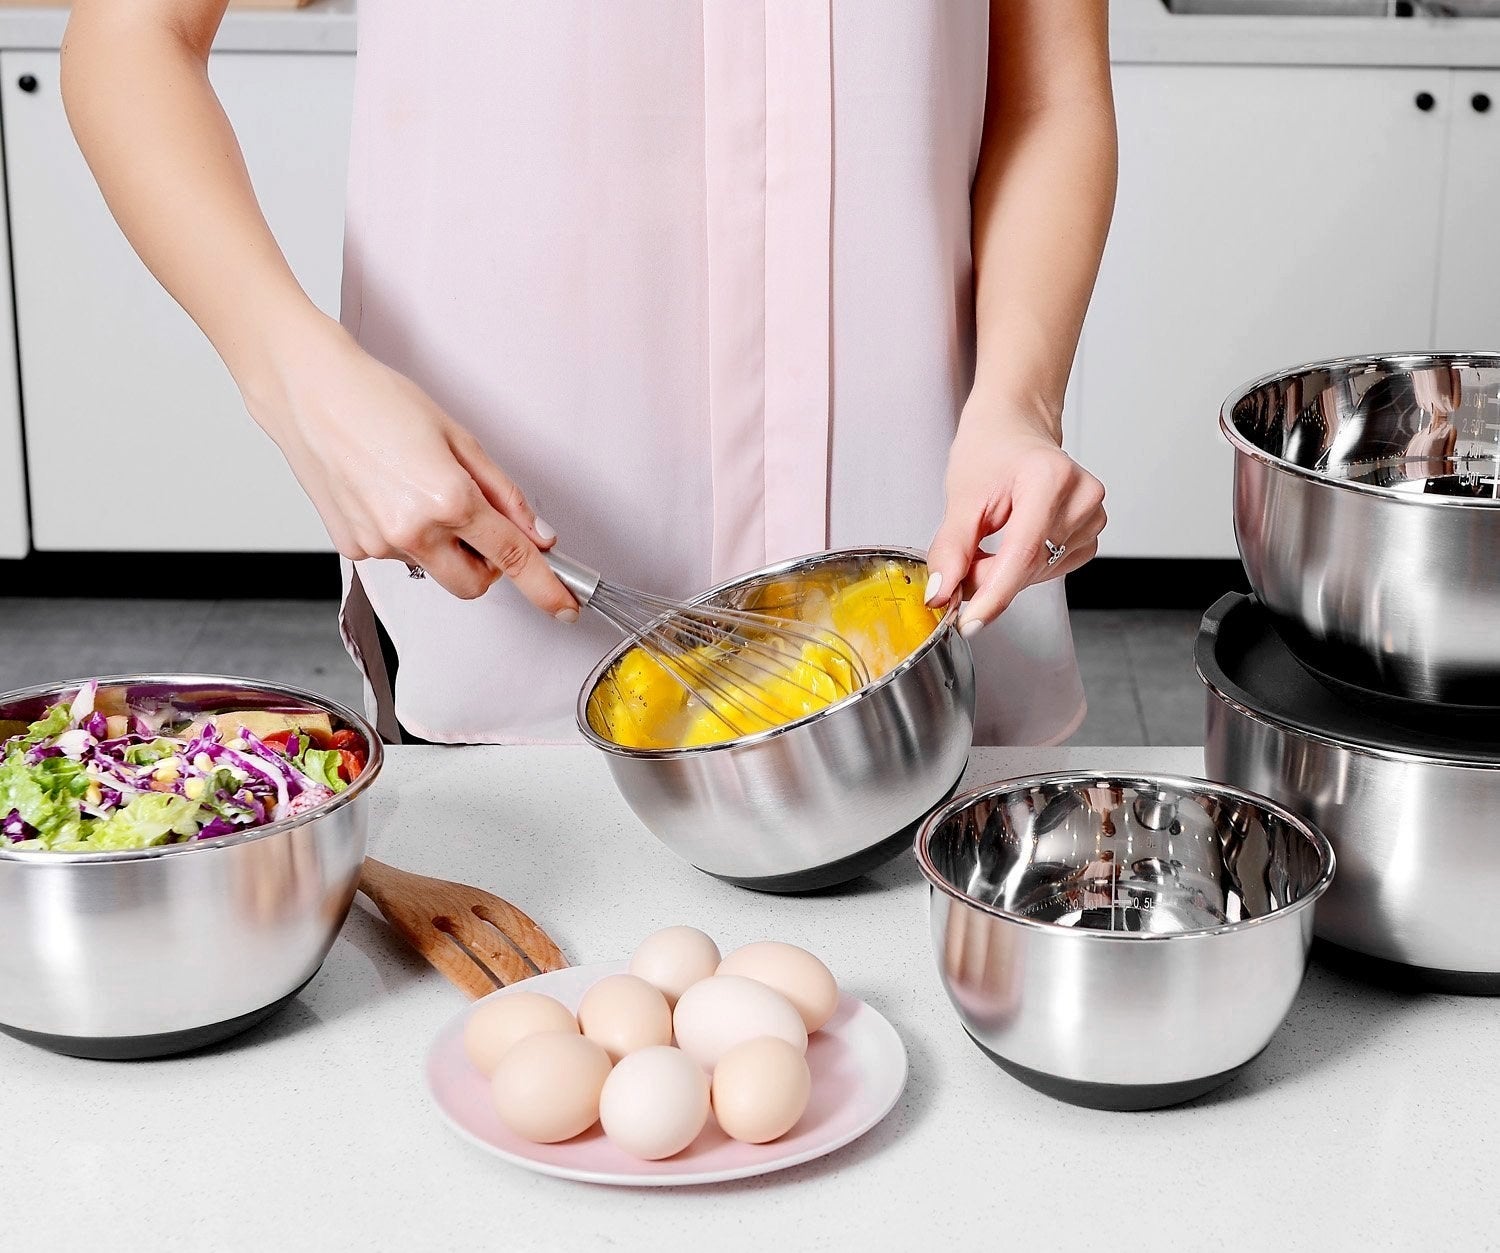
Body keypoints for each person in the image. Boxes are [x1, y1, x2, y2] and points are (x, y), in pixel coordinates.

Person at [61, 0, 1116, 745]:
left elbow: (1047, 93)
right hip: (505, 590)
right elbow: (130, 36)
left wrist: (1019, 402)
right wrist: (298, 380)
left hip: (924, 610)